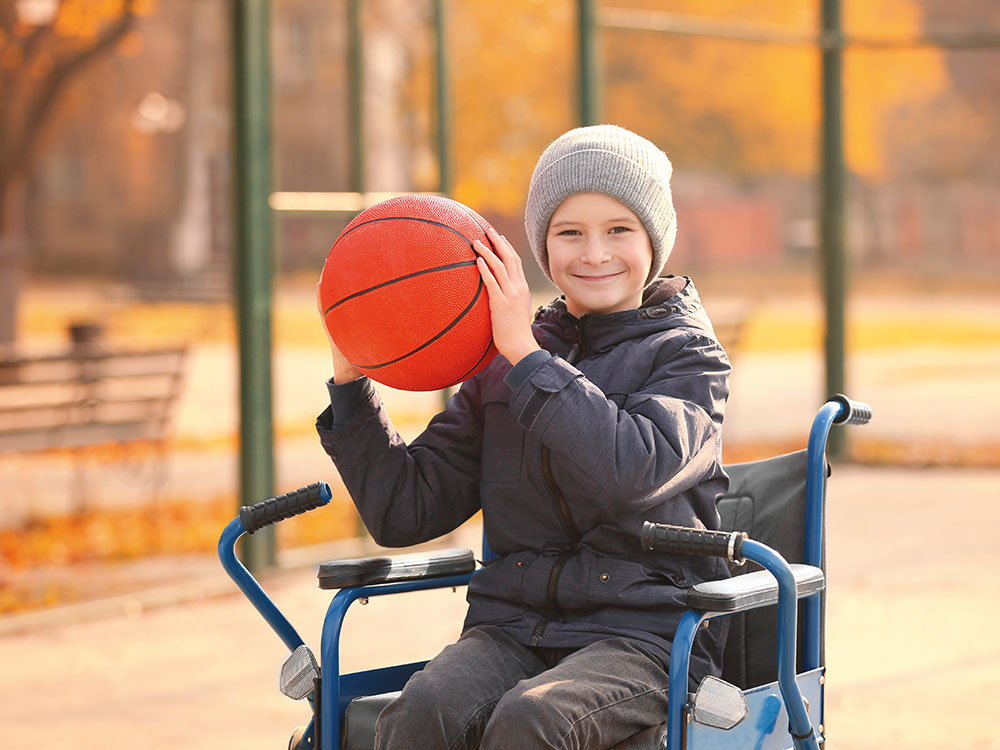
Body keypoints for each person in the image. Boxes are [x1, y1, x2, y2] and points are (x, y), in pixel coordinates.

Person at [316, 124, 731, 750]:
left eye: (619, 229)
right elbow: (406, 510)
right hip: (512, 628)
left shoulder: (689, 359)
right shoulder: (501, 369)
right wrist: (351, 382)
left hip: (646, 636)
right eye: (570, 232)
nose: (595, 253)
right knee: (422, 709)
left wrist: (526, 357)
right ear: (541, 247)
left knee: (532, 721)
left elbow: (634, 473)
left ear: (655, 240)